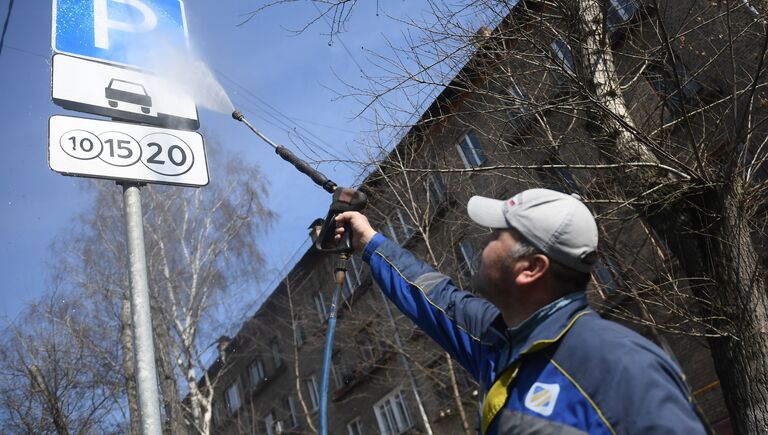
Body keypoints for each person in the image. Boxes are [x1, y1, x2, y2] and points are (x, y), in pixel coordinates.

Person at [334, 188, 707, 435]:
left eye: (498, 234)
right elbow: (436, 297)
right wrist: (370, 241)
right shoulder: (502, 341)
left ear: (531, 268)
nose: (486, 241)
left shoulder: (615, 360)